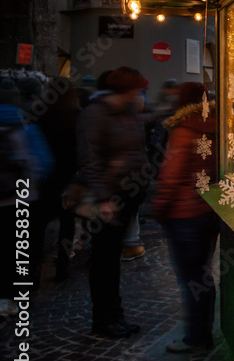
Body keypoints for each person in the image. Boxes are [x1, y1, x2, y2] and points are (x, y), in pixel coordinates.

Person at [75, 66, 152, 338]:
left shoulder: (127, 113)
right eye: (136, 89)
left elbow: (136, 151)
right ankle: (104, 319)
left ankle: (115, 315)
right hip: (108, 199)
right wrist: (104, 199)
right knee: (104, 260)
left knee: (111, 260)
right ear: (126, 90)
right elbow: (90, 161)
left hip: (126, 196)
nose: (139, 94)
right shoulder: (95, 115)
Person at [153, 82, 219, 352]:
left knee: (191, 277)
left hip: (184, 213)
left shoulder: (183, 131)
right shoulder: (216, 128)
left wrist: (159, 207)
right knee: (202, 276)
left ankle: (196, 338)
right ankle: (202, 332)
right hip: (208, 210)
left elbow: (172, 174)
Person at [0, 78, 53, 316]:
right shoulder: (27, 124)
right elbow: (44, 161)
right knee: (21, 247)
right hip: (23, 196)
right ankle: (18, 296)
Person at [35, 78, 82, 282]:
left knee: (38, 226)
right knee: (67, 224)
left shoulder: (40, 114)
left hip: (45, 178)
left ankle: (33, 269)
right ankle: (62, 265)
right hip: (67, 178)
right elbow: (80, 151)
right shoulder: (77, 116)